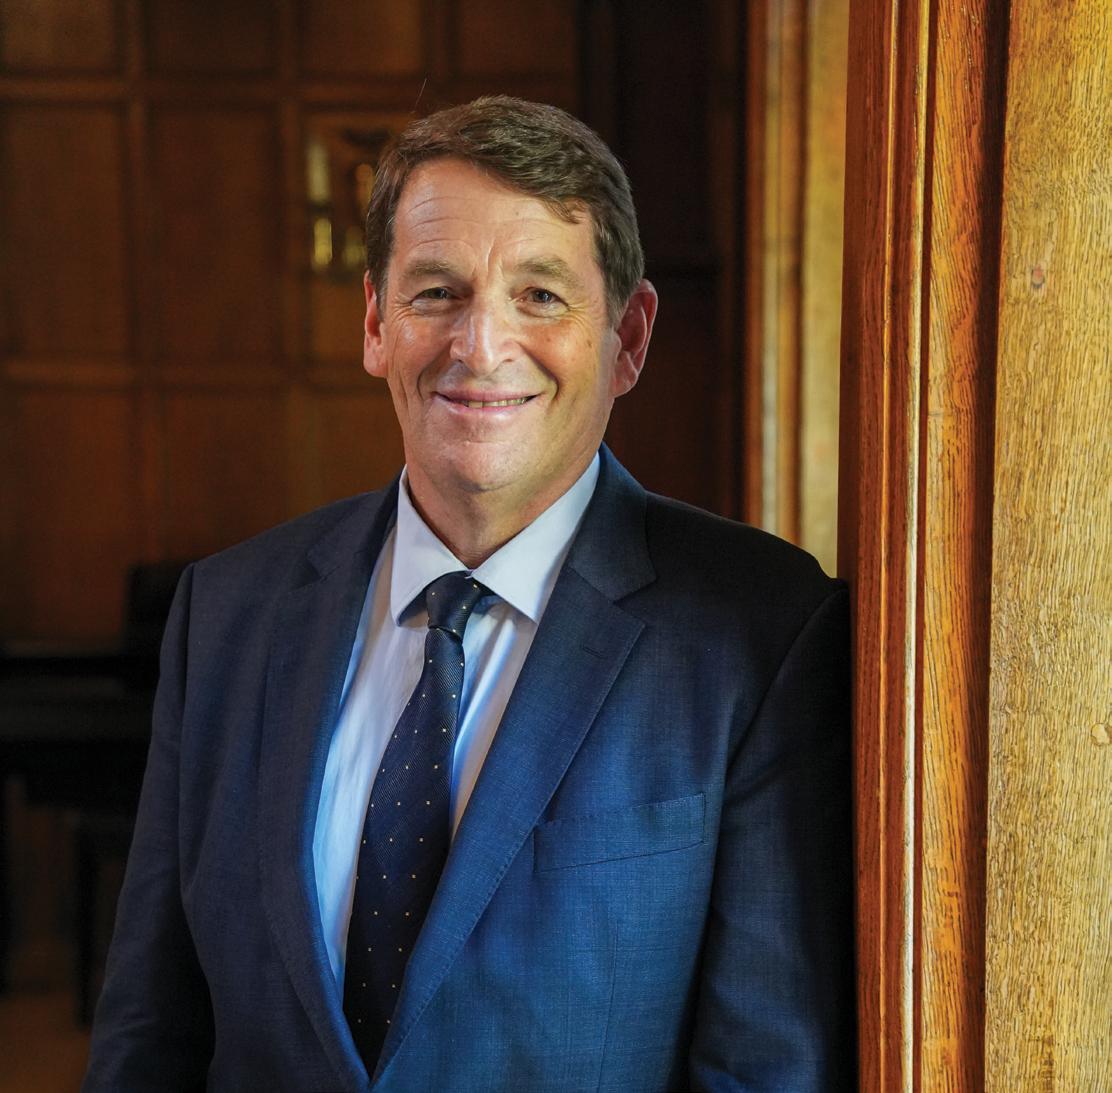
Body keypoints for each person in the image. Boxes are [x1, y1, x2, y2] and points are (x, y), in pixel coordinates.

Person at [84, 97, 855, 1091]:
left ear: (627, 337)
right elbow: (149, 1035)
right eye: (437, 292)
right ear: (376, 322)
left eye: (540, 295)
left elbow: (766, 1070)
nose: (480, 345)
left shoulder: (761, 634)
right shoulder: (227, 613)